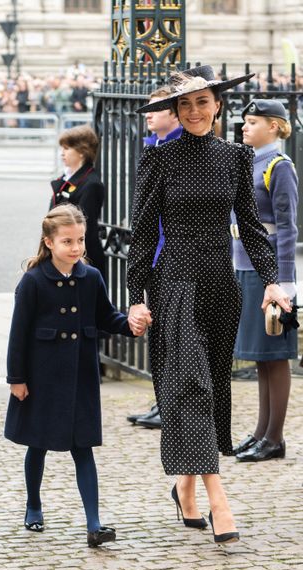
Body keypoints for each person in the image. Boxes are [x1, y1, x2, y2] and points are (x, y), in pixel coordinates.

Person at [127, 65, 291, 546]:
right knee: (193, 386)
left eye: (203, 102)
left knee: (212, 389)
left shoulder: (237, 158)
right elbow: (140, 234)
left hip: (221, 287)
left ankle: (184, 487)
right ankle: (220, 501)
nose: (195, 111)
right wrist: (136, 297)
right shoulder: (160, 160)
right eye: (185, 104)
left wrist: (271, 282)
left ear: (218, 106)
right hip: (174, 284)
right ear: (175, 112)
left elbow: (253, 229)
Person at [5, 204, 146, 547]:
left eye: (80, 240)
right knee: (36, 445)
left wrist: (130, 323)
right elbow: (18, 334)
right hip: (42, 379)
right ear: (49, 242)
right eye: (68, 241)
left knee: (83, 449)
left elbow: (106, 317)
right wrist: (17, 379)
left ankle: (94, 524)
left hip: (81, 378)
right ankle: (33, 504)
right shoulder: (33, 281)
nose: (76, 247)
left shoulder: (91, 277)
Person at [232, 99, 299, 462]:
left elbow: (288, 227)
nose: (244, 127)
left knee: (275, 354)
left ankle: (274, 437)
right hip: (245, 264)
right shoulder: (249, 161)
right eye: (245, 121)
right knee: (260, 355)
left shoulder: (279, 166)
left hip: (270, 271)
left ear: (274, 126)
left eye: (253, 121)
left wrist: (285, 280)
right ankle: (261, 431)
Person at [127, 86, 183, 430]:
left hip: (172, 253)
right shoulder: (155, 146)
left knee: (174, 336)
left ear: (173, 113)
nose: (148, 113)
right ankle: (162, 399)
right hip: (154, 251)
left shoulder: (177, 147)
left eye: (156, 108)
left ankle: (171, 403)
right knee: (160, 335)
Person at [50, 125, 106, 279]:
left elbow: (84, 228)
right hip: (61, 253)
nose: (62, 153)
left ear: (82, 152)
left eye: (67, 148)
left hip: (80, 259)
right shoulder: (66, 179)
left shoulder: (91, 184)